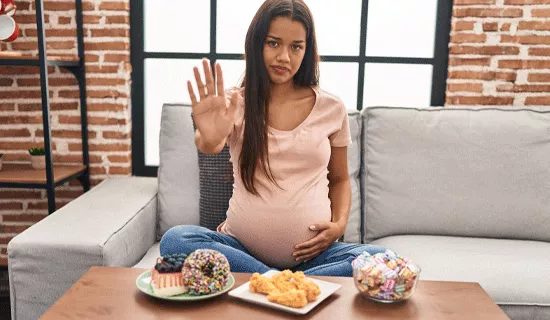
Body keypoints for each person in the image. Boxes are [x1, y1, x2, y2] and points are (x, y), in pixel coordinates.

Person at [160, 0, 385, 277]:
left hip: (314, 257)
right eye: (274, 43)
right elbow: (210, 144)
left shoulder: (331, 108)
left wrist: (338, 226)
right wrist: (210, 135)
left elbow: (339, 179)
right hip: (241, 250)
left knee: (383, 257)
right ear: (257, 44)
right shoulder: (235, 103)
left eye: (296, 46)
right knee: (176, 239)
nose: (284, 57)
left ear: (307, 50)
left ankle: (268, 281)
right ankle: (282, 282)